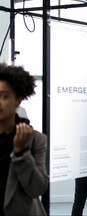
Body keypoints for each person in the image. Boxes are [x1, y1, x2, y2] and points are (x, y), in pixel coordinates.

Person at [0, 62, 48, 215]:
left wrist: (21, 153)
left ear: (18, 100)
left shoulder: (36, 140)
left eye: (4, 96)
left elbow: (37, 189)